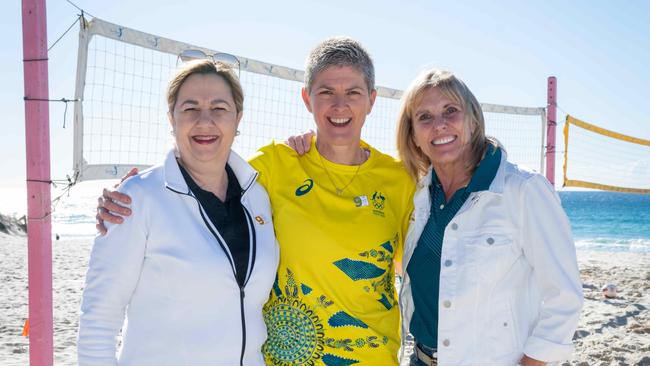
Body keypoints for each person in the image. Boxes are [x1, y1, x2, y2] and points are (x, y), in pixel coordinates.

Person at [96, 37, 415, 365]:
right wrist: (134, 193)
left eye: (353, 93)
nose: (339, 106)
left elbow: (424, 263)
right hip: (287, 357)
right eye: (326, 92)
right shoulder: (274, 165)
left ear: (372, 100)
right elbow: (204, 166)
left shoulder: (399, 180)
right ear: (307, 98)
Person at [78, 59, 279, 365]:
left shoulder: (258, 197)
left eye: (219, 108)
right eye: (190, 108)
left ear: (238, 118)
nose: (204, 121)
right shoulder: (136, 198)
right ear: (171, 118)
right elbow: (98, 320)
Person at [395, 69, 583, 365]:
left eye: (450, 111)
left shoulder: (523, 190)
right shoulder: (415, 197)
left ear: (473, 120)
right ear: (413, 135)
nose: (440, 125)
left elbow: (565, 297)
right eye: (425, 117)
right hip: (419, 359)